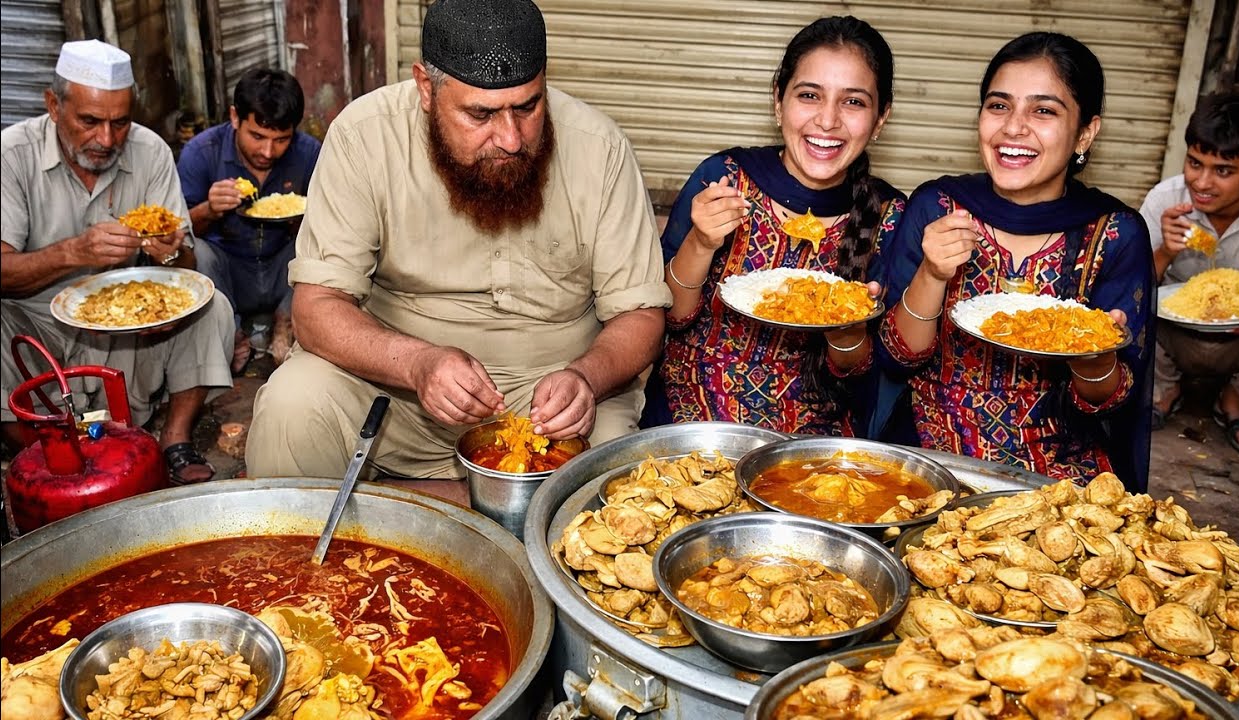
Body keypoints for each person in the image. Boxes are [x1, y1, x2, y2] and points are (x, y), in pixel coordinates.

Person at [245, 0, 671, 479]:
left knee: (611, 486)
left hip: (554, 405)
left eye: (527, 107)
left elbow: (640, 315)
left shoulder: (600, 147)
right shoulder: (364, 137)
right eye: (481, 114)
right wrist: (416, 364)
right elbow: (316, 308)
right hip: (395, 390)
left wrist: (586, 378)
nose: (511, 138)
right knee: (291, 406)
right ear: (426, 87)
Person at [873, 32, 1155, 488]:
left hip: (1060, 471)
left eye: (1043, 111)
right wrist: (932, 273)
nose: (1013, 128)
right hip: (931, 451)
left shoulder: (1114, 232)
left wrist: (1092, 356)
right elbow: (896, 357)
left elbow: (1110, 401)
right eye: (998, 105)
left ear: (1086, 131)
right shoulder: (939, 206)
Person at [643, 16, 899, 435]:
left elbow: (858, 371)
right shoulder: (724, 176)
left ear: (881, 118)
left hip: (807, 450)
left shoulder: (890, 215)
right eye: (809, 95)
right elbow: (669, 317)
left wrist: (848, 324)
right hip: (689, 428)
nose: (828, 120)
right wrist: (700, 243)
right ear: (778, 101)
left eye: (853, 102)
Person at [1, 40, 235, 484]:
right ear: (54, 106)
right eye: (89, 121)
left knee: (210, 304)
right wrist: (73, 252)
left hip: (129, 328)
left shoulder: (150, 152)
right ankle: (42, 454)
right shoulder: (11, 155)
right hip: (36, 325)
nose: (106, 140)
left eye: (120, 122)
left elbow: (185, 260)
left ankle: (175, 438)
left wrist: (168, 250)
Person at [1140, 92, 1239, 456]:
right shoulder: (1164, 200)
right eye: (1194, 163)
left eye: (1223, 171)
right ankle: (1163, 391)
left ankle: (1238, 403)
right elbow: (1134, 287)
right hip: (1173, 337)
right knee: (1127, 309)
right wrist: (1166, 250)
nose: (1201, 182)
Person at [178, 68, 321, 371]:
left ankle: (286, 320)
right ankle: (232, 331)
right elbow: (176, 237)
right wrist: (208, 210)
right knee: (198, 253)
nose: (268, 151)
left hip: (283, 267)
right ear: (234, 118)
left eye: (281, 139)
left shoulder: (310, 154)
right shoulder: (201, 153)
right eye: (257, 136)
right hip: (229, 270)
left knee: (321, 239)